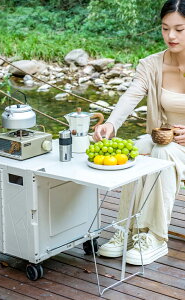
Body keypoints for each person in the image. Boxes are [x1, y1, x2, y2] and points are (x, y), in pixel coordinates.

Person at [93, 0, 185, 265]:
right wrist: (110, 124)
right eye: (165, 28)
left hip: (174, 147)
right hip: (165, 140)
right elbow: (131, 95)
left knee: (163, 151)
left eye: (179, 29)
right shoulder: (151, 64)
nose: (171, 36)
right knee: (138, 148)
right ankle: (128, 230)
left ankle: (155, 237)